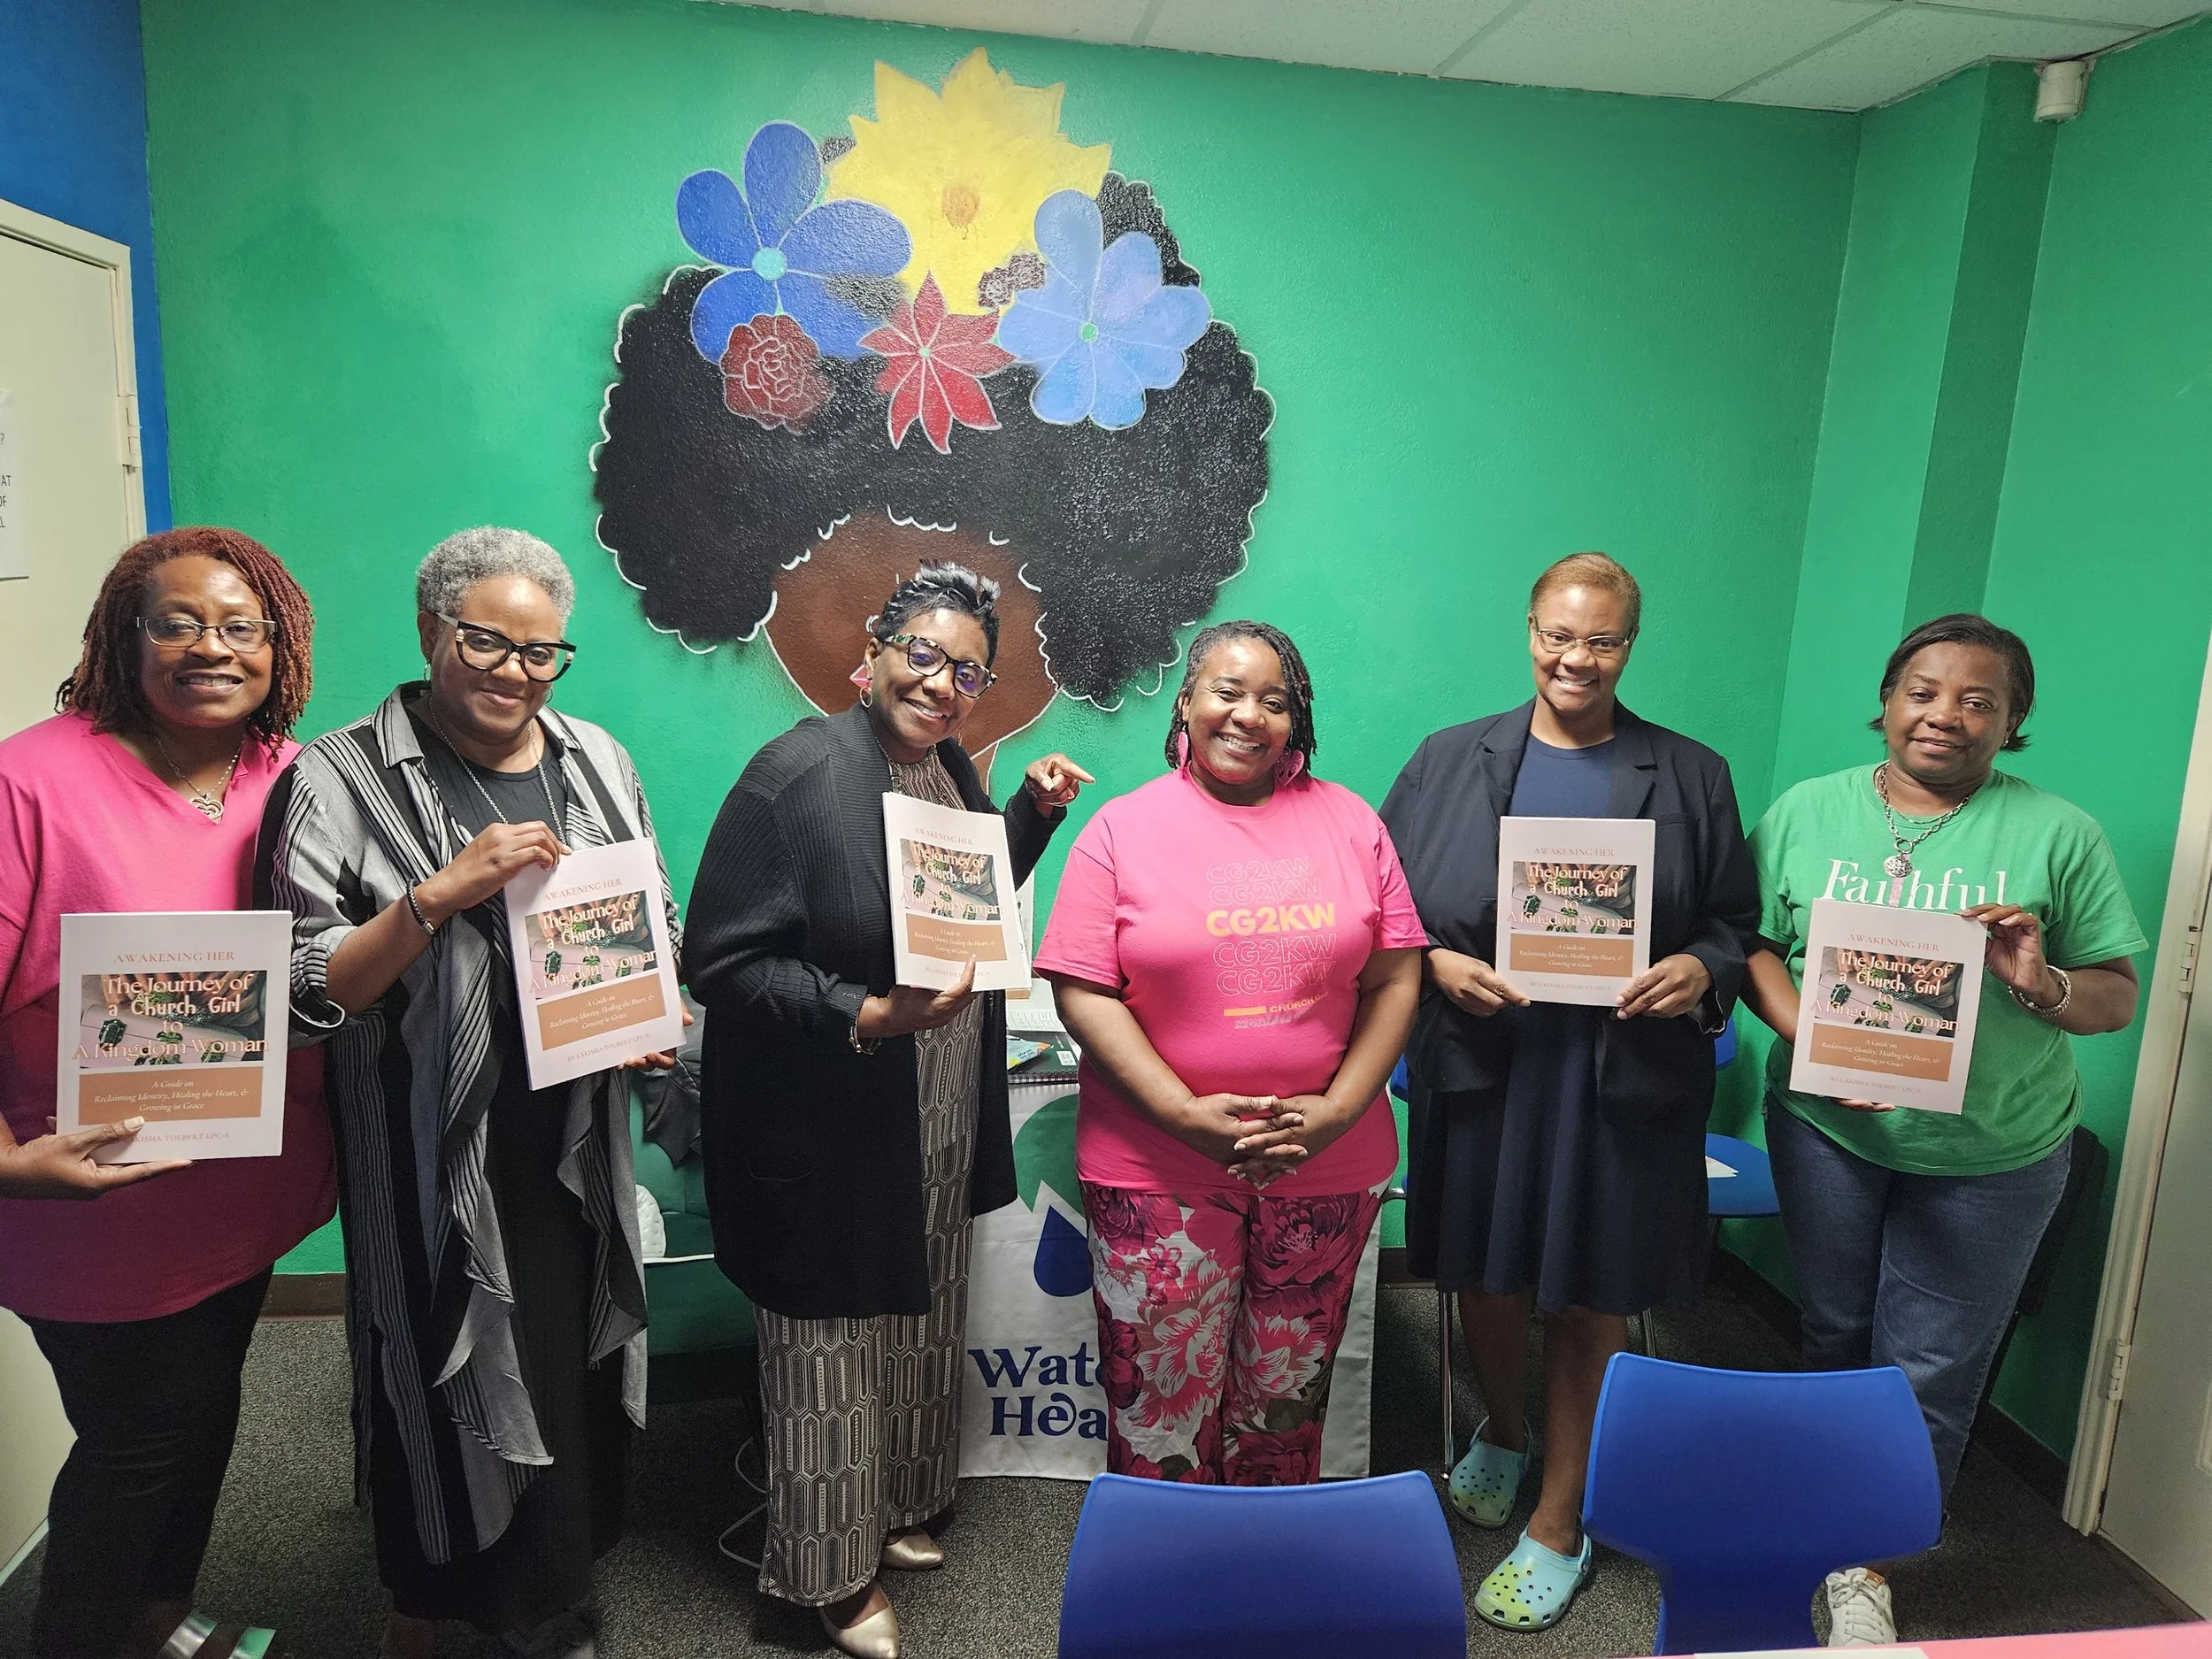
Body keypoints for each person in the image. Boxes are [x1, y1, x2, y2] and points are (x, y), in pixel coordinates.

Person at [256, 527, 680, 1659]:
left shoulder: (594, 755)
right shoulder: (337, 775)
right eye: (490, 643)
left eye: (544, 653)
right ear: (431, 629)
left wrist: (652, 1015)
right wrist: (437, 897)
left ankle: (553, 1597)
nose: (516, 675)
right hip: (429, 1144)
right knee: (439, 1360)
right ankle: (442, 1599)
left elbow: (647, 914)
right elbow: (300, 989)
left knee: (566, 1356)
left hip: (576, 1132)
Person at [687, 562, 1090, 1659]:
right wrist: (859, 1011)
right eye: (923, 654)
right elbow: (717, 961)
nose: (942, 682)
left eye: (968, 669)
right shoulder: (794, 776)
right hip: (833, 1104)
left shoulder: (947, 766)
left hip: (937, 1094)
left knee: (918, 1308)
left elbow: (948, 898)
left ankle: (898, 1507)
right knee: (831, 1341)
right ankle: (823, 1577)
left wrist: (1031, 816)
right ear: (871, 651)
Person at [1741, 613, 2144, 1647]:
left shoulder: (2058, 834)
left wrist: (2040, 978)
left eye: (1979, 699)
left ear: (2012, 722)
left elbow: (2113, 999)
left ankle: (1863, 1570)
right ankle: (1817, 1513)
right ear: (1884, 699)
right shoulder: (1805, 810)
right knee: (1833, 1333)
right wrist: (1819, 1043)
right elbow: (1755, 951)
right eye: (1923, 690)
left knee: (1929, 1366)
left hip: (1993, 1153)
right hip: (1828, 1134)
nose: (1945, 714)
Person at [1379, 552, 1759, 1633]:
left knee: (1589, 1290)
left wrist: (1701, 969)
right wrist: (1439, 969)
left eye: (1600, 640)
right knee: (1487, 1275)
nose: (1574, 658)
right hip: (1485, 1066)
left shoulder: (1690, 773)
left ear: (1630, 646)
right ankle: (1503, 1427)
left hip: (1618, 1080)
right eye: (1557, 633)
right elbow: (1387, 907)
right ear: (1529, 629)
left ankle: (1560, 1518)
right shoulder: (1449, 759)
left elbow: (1733, 922)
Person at [0, 526, 334, 1659]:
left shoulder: (292, 776)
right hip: (90, 1212)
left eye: (241, 626)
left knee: (200, 1422)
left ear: (278, 645)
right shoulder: (29, 780)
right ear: (123, 637)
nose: (212, 648)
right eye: (177, 622)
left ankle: (150, 1618)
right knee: (133, 1449)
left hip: (238, 1198)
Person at [1036, 620, 1425, 1486]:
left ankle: (1262, 1580)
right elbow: (1083, 990)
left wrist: (1333, 1114)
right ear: (1185, 703)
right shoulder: (1120, 830)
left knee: (1284, 1406)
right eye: (1226, 691)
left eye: (1273, 700)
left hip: (1323, 1163)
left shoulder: (1351, 823)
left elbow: (1396, 980)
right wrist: (1181, 1113)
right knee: (1158, 1406)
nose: (1248, 715)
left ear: (1297, 720)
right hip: (1155, 1167)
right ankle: (1168, 1589)